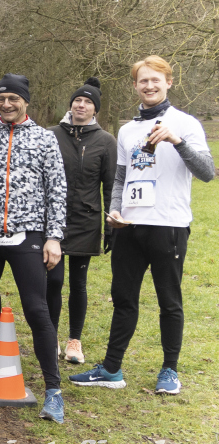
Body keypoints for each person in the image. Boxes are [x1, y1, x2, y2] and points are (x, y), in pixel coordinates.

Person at [71, 56, 213, 395]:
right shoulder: (127, 129)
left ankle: (169, 370)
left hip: (169, 226)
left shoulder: (186, 123)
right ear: (135, 85)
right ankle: (111, 369)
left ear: (169, 82)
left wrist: (177, 142)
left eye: (156, 80)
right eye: (142, 81)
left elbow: (207, 172)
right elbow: (121, 176)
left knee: (169, 300)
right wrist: (115, 209)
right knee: (123, 298)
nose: (149, 86)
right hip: (129, 227)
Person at [0, 74, 68, 423]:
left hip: (27, 235)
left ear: (25, 102)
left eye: (13, 99)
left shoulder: (44, 139)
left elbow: (57, 190)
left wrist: (54, 237)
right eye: (2, 98)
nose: (6, 104)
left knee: (37, 310)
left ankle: (53, 390)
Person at [48, 77, 116, 365]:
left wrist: (112, 227)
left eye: (88, 102)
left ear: (95, 110)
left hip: (87, 221)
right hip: (53, 221)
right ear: (71, 104)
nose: (81, 105)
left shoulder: (105, 141)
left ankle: (74, 340)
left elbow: (111, 185)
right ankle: (49, 337)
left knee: (78, 282)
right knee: (53, 280)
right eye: (78, 100)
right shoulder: (51, 134)